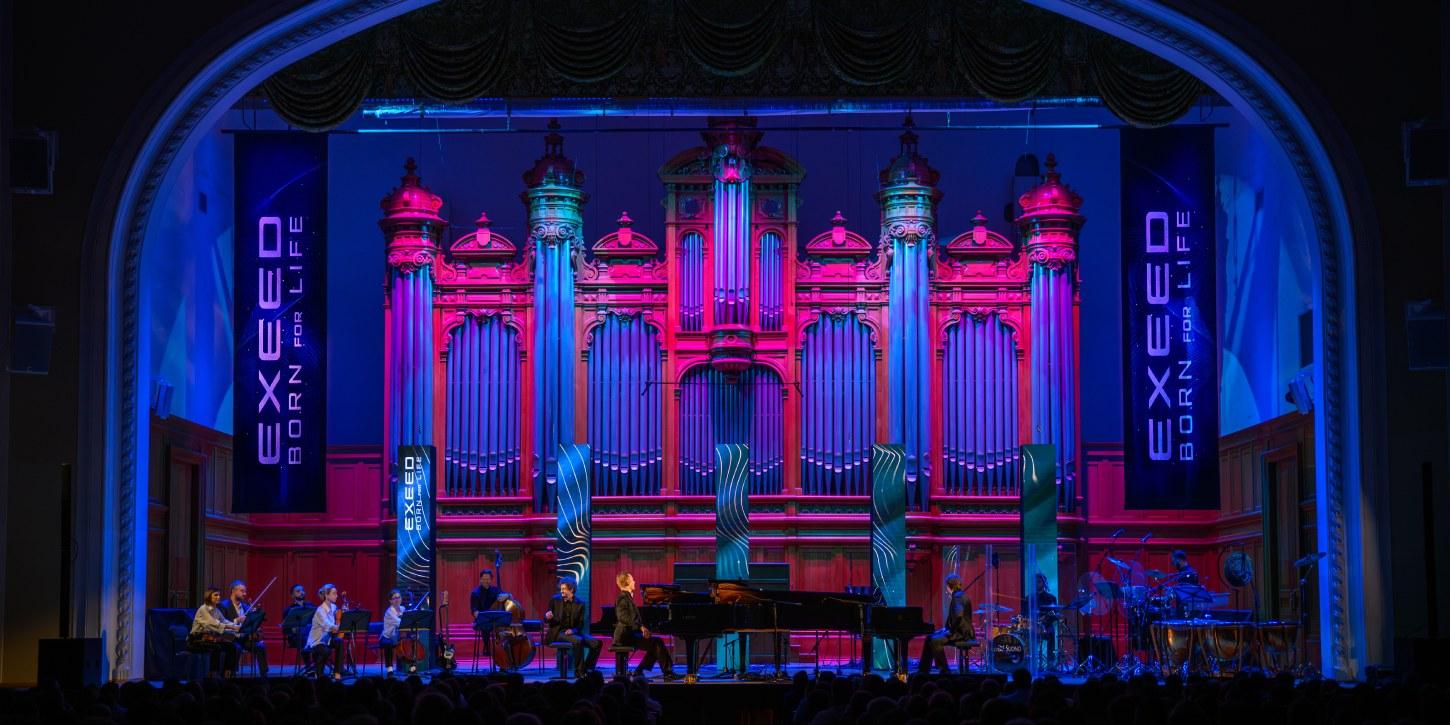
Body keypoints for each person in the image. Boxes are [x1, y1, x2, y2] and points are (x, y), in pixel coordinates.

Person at [613, 572, 677, 680]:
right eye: (632, 580)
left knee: (656, 643)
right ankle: (667, 673)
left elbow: (632, 618)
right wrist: (640, 627)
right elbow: (623, 617)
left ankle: (640, 671)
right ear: (627, 582)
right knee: (657, 643)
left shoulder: (626, 597)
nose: (634, 582)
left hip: (629, 635)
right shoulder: (622, 598)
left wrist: (641, 626)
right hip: (624, 637)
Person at [918, 573, 976, 675]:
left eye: (947, 586)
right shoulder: (960, 595)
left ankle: (944, 670)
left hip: (961, 633)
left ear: (950, 586)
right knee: (930, 638)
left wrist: (950, 631)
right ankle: (923, 670)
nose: (946, 589)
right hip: (961, 631)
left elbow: (958, 617)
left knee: (935, 641)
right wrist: (945, 629)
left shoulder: (957, 597)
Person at [545, 578, 601, 677]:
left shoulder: (580, 603)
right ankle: (579, 672)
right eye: (561, 589)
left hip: (573, 633)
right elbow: (547, 619)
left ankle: (587, 668)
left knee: (597, 643)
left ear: (571, 589)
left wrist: (573, 630)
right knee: (578, 641)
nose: (561, 591)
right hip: (558, 632)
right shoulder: (555, 600)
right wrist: (547, 617)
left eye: (564, 589)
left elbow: (580, 624)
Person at [218, 579, 269, 677]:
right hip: (229, 638)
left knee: (260, 646)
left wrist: (255, 620)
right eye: (242, 591)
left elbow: (250, 625)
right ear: (233, 590)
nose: (245, 594)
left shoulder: (246, 607)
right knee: (235, 648)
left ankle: (264, 675)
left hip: (243, 639)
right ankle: (230, 674)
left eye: (245, 591)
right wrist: (236, 620)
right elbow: (220, 624)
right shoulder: (223, 605)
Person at [189, 587, 240, 676]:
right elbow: (213, 623)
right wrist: (233, 627)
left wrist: (237, 627)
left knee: (232, 647)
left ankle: (227, 674)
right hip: (196, 639)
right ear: (209, 596)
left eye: (219, 595)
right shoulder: (203, 609)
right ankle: (212, 675)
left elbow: (224, 621)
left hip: (209, 639)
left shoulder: (216, 610)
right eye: (215, 595)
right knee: (216, 648)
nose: (218, 597)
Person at [306, 583, 345, 681]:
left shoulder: (334, 607)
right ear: (327, 595)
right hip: (317, 641)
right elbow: (330, 626)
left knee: (339, 642)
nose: (337, 596)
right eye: (334, 593)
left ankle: (337, 672)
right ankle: (319, 674)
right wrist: (341, 626)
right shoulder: (320, 611)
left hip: (327, 639)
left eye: (336, 593)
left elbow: (337, 621)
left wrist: (344, 615)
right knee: (325, 650)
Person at [379, 589, 404, 677]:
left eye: (399, 597)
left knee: (411, 639)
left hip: (397, 637)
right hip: (387, 636)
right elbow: (401, 623)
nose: (397, 600)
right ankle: (389, 669)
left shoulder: (403, 609)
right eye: (394, 598)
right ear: (390, 601)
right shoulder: (389, 612)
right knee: (388, 643)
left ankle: (411, 666)